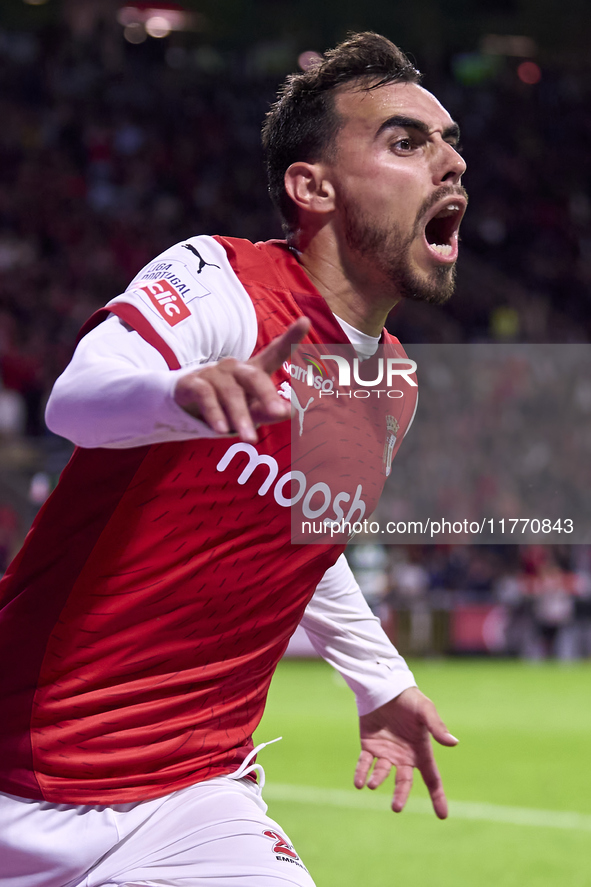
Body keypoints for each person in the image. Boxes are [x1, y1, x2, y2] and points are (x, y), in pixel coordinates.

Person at [0, 32, 466, 887]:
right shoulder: (222, 280)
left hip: (192, 794)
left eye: (448, 144)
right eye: (406, 141)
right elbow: (77, 395)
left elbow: (299, 537)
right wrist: (176, 394)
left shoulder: (390, 380)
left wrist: (379, 679)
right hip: (22, 774)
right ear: (311, 185)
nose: (449, 164)